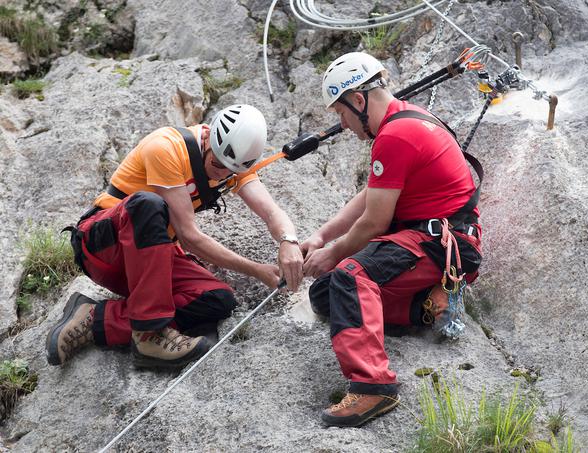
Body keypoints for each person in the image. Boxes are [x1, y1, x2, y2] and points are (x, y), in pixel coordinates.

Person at [46, 104, 303, 369]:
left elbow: (271, 212)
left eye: (231, 171)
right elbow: (189, 237)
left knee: (216, 299)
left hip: (149, 261)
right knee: (148, 204)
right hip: (103, 248)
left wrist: (289, 241)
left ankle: (97, 318)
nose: (222, 173)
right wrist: (256, 270)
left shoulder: (234, 164)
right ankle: (148, 335)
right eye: (217, 164)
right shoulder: (166, 148)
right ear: (209, 139)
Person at [302, 53, 483, 427]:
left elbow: (374, 221)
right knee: (326, 293)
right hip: (434, 236)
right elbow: (374, 194)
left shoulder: (395, 135)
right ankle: (427, 305)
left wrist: (333, 253)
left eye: (341, 112)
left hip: (439, 241)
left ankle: (372, 387)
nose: (344, 124)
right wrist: (322, 235)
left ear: (357, 100)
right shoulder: (405, 119)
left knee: (350, 276)